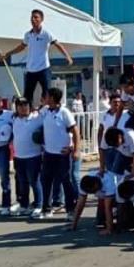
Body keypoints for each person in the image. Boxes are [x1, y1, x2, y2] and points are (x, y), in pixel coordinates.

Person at [0, 9, 73, 105]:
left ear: (41, 19)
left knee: (47, 93)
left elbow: (58, 44)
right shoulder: (28, 34)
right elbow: (21, 47)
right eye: (32, 17)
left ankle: (46, 112)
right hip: (31, 69)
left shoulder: (46, 34)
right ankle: (27, 114)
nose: (33, 19)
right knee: (27, 95)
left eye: (36, 17)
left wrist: (67, 56)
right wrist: (7, 54)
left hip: (44, 68)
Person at [40, 87, 80, 220]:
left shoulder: (64, 112)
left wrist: (76, 149)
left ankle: (71, 210)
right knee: (46, 181)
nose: (44, 98)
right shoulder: (45, 111)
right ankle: (46, 209)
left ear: (51, 98)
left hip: (63, 154)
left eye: (46, 96)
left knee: (66, 181)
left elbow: (75, 131)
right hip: (48, 153)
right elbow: (33, 116)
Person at [11, 97, 45, 218]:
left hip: (33, 157)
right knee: (22, 183)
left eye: (25, 105)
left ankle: (38, 206)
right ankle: (24, 206)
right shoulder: (14, 118)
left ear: (30, 106)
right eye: (20, 105)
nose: (23, 107)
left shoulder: (37, 118)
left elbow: (46, 110)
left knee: (34, 182)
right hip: (18, 157)